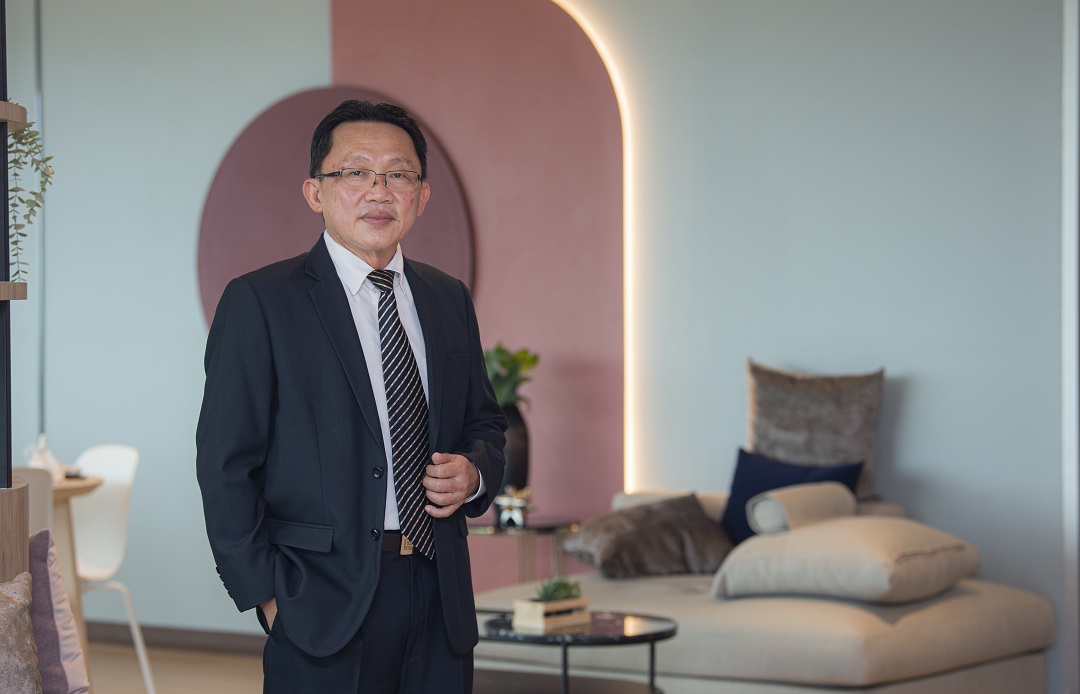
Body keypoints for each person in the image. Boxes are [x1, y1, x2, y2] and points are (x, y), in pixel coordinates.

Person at [196, 99, 507, 693]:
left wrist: (474, 473)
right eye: (356, 171)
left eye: (398, 174)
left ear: (422, 196)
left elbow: (485, 423)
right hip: (319, 602)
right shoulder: (261, 301)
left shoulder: (448, 299)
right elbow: (225, 463)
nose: (378, 191)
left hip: (439, 596)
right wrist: (266, 596)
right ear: (315, 192)